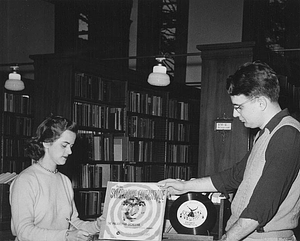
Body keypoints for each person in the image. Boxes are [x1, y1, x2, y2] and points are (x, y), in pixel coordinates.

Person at [159, 61, 300, 241]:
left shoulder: (287, 135)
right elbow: (233, 176)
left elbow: (258, 210)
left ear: (261, 102)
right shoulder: (267, 134)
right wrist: (185, 186)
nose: (234, 114)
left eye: (238, 107)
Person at [10, 115, 102, 241]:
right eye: (64, 145)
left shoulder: (64, 180)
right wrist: (66, 236)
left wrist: (98, 225)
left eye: (71, 146)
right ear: (47, 143)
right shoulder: (25, 180)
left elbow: (73, 223)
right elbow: (24, 232)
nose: (70, 152)